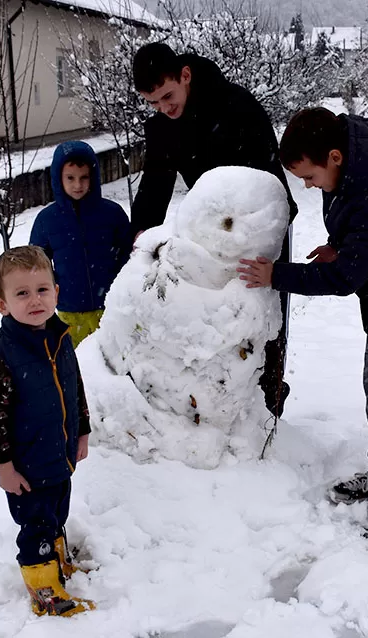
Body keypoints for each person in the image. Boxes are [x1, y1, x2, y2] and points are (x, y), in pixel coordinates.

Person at [237, 107, 368, 535]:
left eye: (310, 177)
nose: (309, 186)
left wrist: (277, 275)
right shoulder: (350, 168)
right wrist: (341, 244)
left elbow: (344, 278)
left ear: (334, 157)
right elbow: (354, 225)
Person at [130, 41, 297, 417]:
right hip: (209, 234)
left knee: (263, 319)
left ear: (185, 75)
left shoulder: (236, 106)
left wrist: (260, 236)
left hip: (261, 228)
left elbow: (269, 177)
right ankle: (225, 407)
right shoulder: (163, 126)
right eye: (153, 102)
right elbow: (155, 183)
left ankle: (268, 403)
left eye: (168, 96)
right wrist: (141, 231)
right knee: (220, 319)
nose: (164, 108)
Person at [0, 246, 95, 616]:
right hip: (27, 467)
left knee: (56, 514)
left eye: (42, 289)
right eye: (22, 293)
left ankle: (56, 565)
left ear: (56, 292)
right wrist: (4, 468)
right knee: (36, 526)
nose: (35, 300)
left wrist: (82, 431)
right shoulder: (2, 355)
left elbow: (74, 386)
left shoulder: (59, 336)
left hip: (59, 455)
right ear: (1, 304)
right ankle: (44, 591)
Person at [30, 141, 132, 347]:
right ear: (58, 178)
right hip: (70, 311)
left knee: (114, 356)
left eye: (84, 177)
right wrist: (53, 291)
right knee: (76, 360)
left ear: (93, 177)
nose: (78, 185)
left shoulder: (112, 213)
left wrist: (122, 283)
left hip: (111, 306)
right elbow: (37, 264)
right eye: (70, 178)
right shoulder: (47, 220)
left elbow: (128, 254)